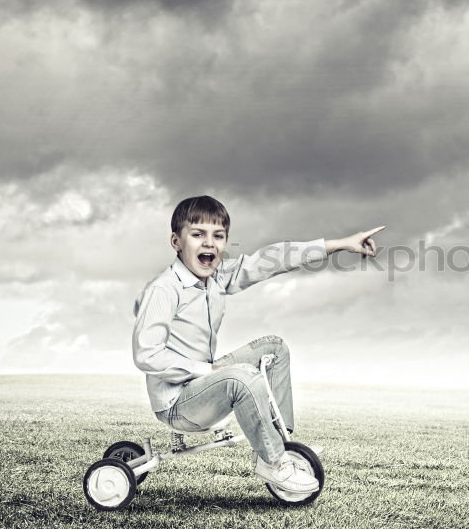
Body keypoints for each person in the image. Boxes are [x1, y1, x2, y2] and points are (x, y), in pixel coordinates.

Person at [132, 195, 383, 494]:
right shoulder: (164, 290)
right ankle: (273, 462)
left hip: (203, 384)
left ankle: (279, 445)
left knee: (273, 348)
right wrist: (207, 369)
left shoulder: (216, 277)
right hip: (177, 404)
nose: (209, 244)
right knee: (242, 375)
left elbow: (274, 258)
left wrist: (341, 243)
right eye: (197, 234)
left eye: (218, 236)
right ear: (177, 241)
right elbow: (147, 354)